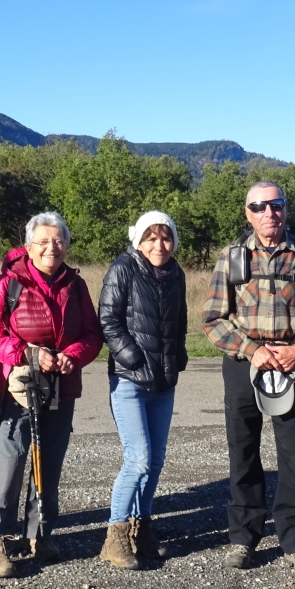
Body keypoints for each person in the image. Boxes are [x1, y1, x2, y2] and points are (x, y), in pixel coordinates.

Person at [203, 181, 295, 573]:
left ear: (285, 209)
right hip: (244, 363)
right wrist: (252, 351)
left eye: (275, 205)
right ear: (247, 213)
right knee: (242, 452)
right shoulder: (231, 256)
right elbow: (213, 320)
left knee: (293, 456)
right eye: (259, 207)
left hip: (293, 364)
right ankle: (243, 538)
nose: (269, 213)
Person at [0, 212, 102, 578]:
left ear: (67, 245)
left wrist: (72, 356)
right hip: (19, 390)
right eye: (43, 241)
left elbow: (92, 336)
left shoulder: (76, 285)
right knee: (11, 465)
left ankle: (39, 534)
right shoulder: (8, 283)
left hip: (63, 388)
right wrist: (27, 352)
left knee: (49, 465)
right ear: (28, 246)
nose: (51, 247)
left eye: (58, 240)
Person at [97, 211, 188, 570]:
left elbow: (180, 321)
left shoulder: (176, 274)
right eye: (151, 238)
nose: (159, 245)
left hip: (164, 382)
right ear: (139, 240)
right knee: (138, 460)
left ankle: (141, 526)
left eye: (165, 237)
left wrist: (178, 356)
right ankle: (115, 535)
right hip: (130, 380)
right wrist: (134, 358)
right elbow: (108, 320)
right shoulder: (124, 268)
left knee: (156, 460)